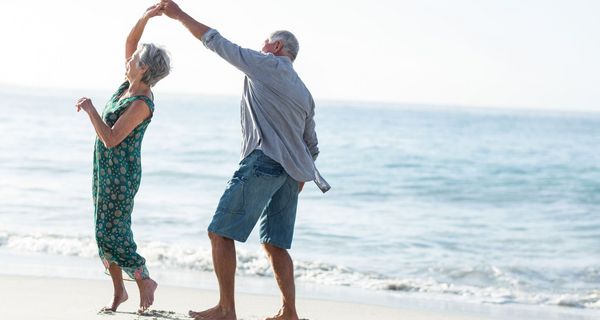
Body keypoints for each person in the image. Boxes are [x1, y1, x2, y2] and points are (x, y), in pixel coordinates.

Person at [160, 1, 330, 320]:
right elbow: (312, 144)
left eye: (265, 42)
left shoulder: (266, 64)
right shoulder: (304, 91)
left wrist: (179, 15)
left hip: (264, 161)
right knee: (275, 243)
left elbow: (217, 41)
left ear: (276, 46)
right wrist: (300, 179)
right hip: (292, 174)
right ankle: (289, 312)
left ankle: (226, 309)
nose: (260, 46)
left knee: (220, 232)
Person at [75, 4, 171, 313]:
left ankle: (143, 278)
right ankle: (119, 293)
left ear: (143, 68)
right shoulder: (127, 85)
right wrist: (145, 17)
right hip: (104, 169)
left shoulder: (142, 101)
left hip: (121, 172)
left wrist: (90, 110)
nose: (128, 59)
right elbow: (130, 44)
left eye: (134, 59)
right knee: (101, 229)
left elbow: (112, 138)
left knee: (111, 231)